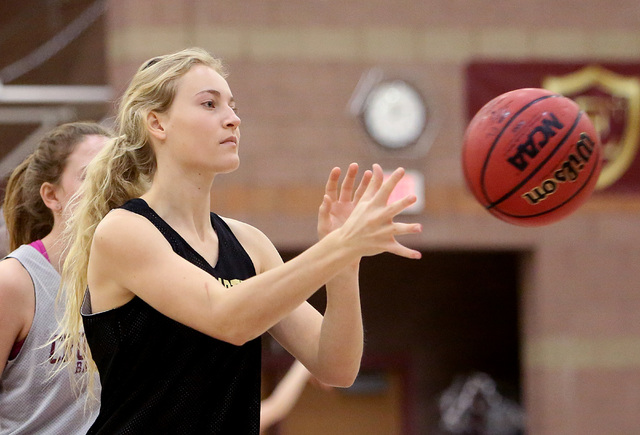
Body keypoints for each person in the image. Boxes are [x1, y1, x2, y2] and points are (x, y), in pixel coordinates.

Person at [55, 47, 422, 434]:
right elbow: (227, 317)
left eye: (232, 106)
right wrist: (337, 247)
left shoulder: (250, 244)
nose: (232, 119)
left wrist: (345, 267)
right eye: (209, 104)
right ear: (157, 124)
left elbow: (337, 366)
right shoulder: (124, 231)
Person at [0, 122, 111, 434]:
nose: (109, 186)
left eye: (117, 174)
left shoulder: (134, 280)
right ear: (52, 195)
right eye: (93, 175)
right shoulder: (14, 281)